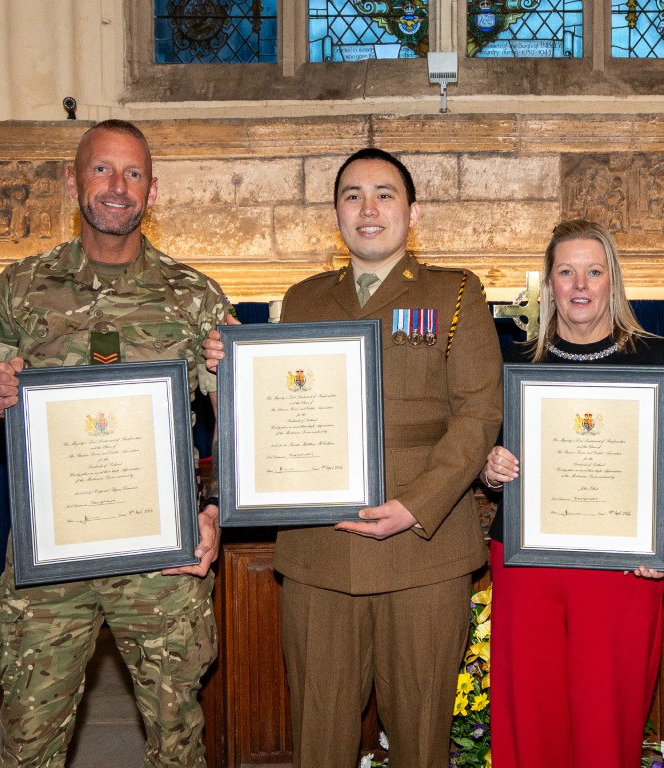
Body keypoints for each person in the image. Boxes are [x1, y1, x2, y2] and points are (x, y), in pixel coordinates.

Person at [205, 147, 503, 768]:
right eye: (352, 196)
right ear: (336, 214)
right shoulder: (303, 298)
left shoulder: (455, 294)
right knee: (319, 734)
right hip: (320, 549)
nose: (368, 210)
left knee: (422, 737)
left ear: (412, 212)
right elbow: (275, 409)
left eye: (384, 194)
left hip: (424, 546)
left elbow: (477, 415)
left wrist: (414, 507)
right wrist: (233, 374)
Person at [0, 120, 230, 767]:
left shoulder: (193, 297)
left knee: (177, 744)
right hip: (51, 557)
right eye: (103, 170)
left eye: (133, 174)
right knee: (30, 741)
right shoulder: (22, 288)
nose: (117, 187)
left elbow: (236, 419)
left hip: (162, 564)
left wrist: (215, 512)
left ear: (152, 191)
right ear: (73, 181)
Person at [480, 219, 664, 768]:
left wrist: (649, 532)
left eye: (593, 272)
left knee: (608, 715)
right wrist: (491, 468)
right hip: (528, 558)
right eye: (567, 271)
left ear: (612, 282)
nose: (580, 284)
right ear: (548, 283)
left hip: (622, 561)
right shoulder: (514, 364)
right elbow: (486, 456)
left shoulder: (657, 357)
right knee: (530, 709)